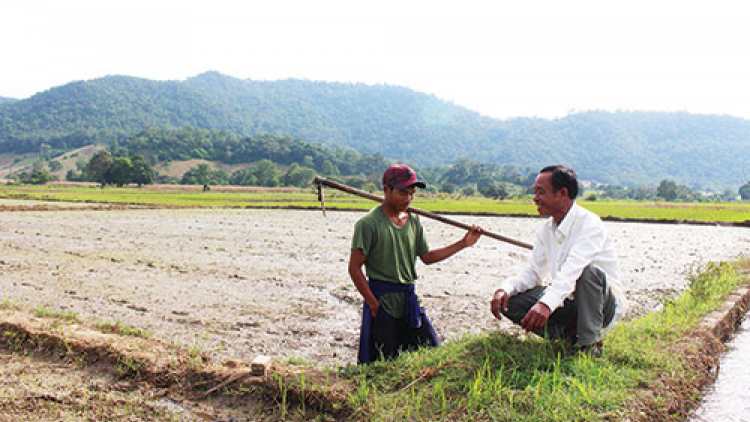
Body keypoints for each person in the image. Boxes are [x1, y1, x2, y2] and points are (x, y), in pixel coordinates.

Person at [350, 164, 483, 364]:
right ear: (386, 190)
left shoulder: (413, 221)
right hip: (382, 297)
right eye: (403, 193)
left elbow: (427, 257)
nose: (408, 199)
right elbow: (354, 268)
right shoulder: (368, 224)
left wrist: (463, 243)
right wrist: (373, 304)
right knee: (382, 360)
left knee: (432, 350)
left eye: (412, 194)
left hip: (408, 297)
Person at [490, 165, 626, 356]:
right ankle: (566, 336)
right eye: (535, 192)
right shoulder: (546, 230)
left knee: (587, 273)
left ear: (562, 193)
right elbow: (533, 272)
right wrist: (505, 289)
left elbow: (572, 270)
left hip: (601, 305)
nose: (535, 198)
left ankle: (590, 344)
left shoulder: (590, 224)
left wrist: (545, 305)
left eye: (540, 192)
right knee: (510, 301)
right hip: (568, 300)